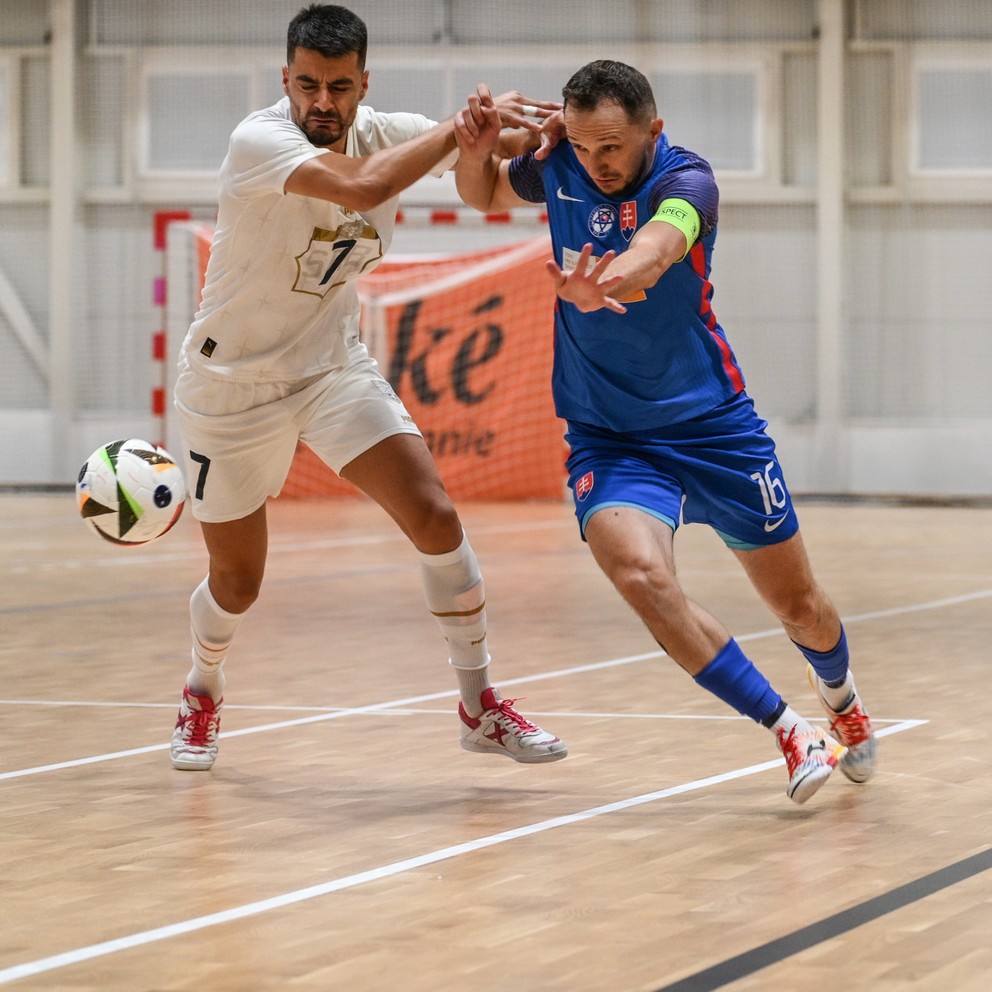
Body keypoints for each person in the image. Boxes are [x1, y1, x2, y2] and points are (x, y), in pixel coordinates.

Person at [452, 60, 876, 804]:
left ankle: (839, 698)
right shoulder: (556, 165)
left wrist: (603, 283)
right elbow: (482, 190)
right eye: (582, 147)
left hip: (712, 427)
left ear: (653, 128)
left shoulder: (689, 183)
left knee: (800, 606)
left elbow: (657, 249)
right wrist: (476, 147)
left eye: (610, 147)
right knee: (644, 579)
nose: (596, 163)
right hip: (607, 435)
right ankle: (786, 731)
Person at [169, 3, 567, 771]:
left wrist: (550, 133)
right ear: (286, 79)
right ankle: (203, 686)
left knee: (434, 512)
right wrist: (460, 131)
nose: (324, 102)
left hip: (328, 366)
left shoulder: (391, 129)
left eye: (340, 86)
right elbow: (365, 187)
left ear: (362, 84)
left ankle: (479, 705)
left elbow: (494, 154)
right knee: (239, 582)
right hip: (230, 386)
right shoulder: (260, 141)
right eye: (310, 85)